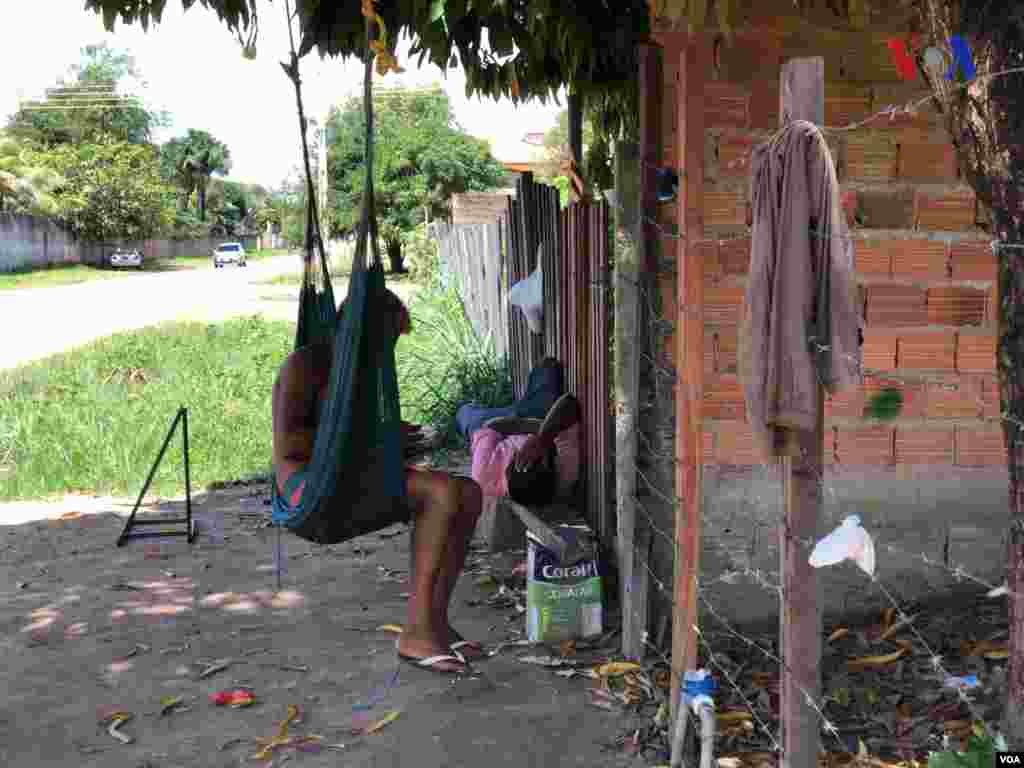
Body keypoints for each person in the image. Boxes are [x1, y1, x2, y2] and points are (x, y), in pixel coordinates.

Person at [271, 289, 483, 674]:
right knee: (441, 493)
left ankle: (435, 622)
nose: (387, 352)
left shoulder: (361, 370)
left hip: (347, 476)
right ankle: (415, 633)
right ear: (358, 330)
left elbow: (357, 435)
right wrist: (374, 439)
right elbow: (290, 444)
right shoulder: (306, 365)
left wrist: (394, 436)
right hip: (307, 487)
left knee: (468, 493)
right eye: (386, 340)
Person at [470, 392, 581, 508]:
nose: (544, 451)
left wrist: (539, 436)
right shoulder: (564, 472)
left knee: (467, 414)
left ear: (516, 457)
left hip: (491, 427)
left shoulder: (482, 471)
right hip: (534, 419)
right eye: (547, 456)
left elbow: (489, 426)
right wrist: (543, 437)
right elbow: (569, 402)